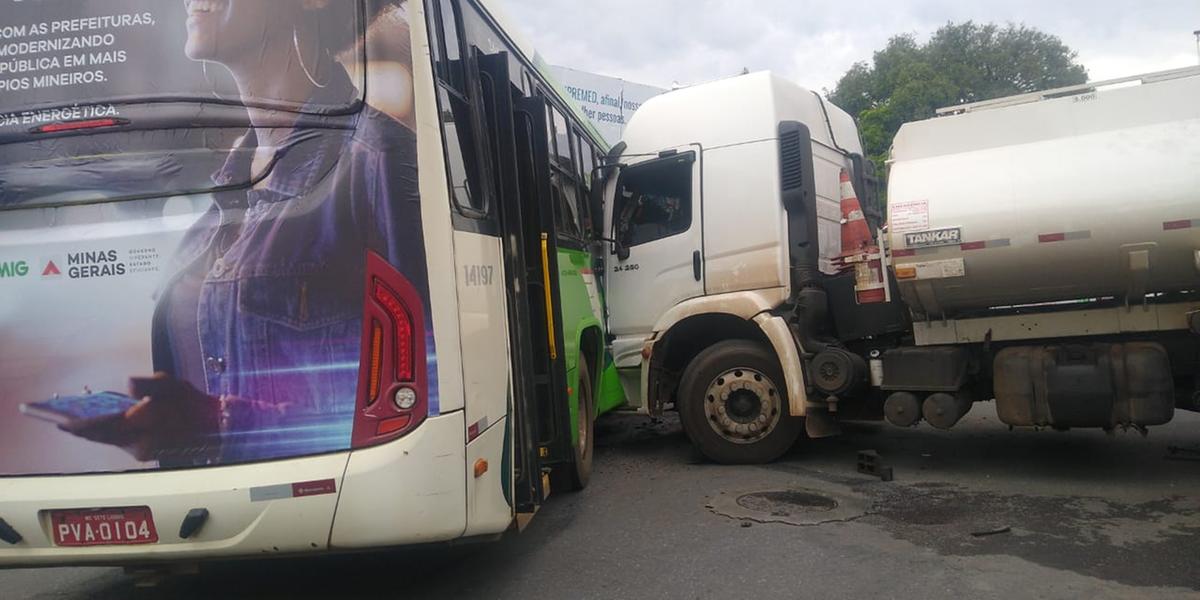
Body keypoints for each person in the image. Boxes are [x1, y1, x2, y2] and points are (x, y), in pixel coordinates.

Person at [64, 0, 429, 466]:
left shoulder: (377, 162)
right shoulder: (219, 205)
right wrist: (176, 416)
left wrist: (218, 420)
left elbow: (419, 390)